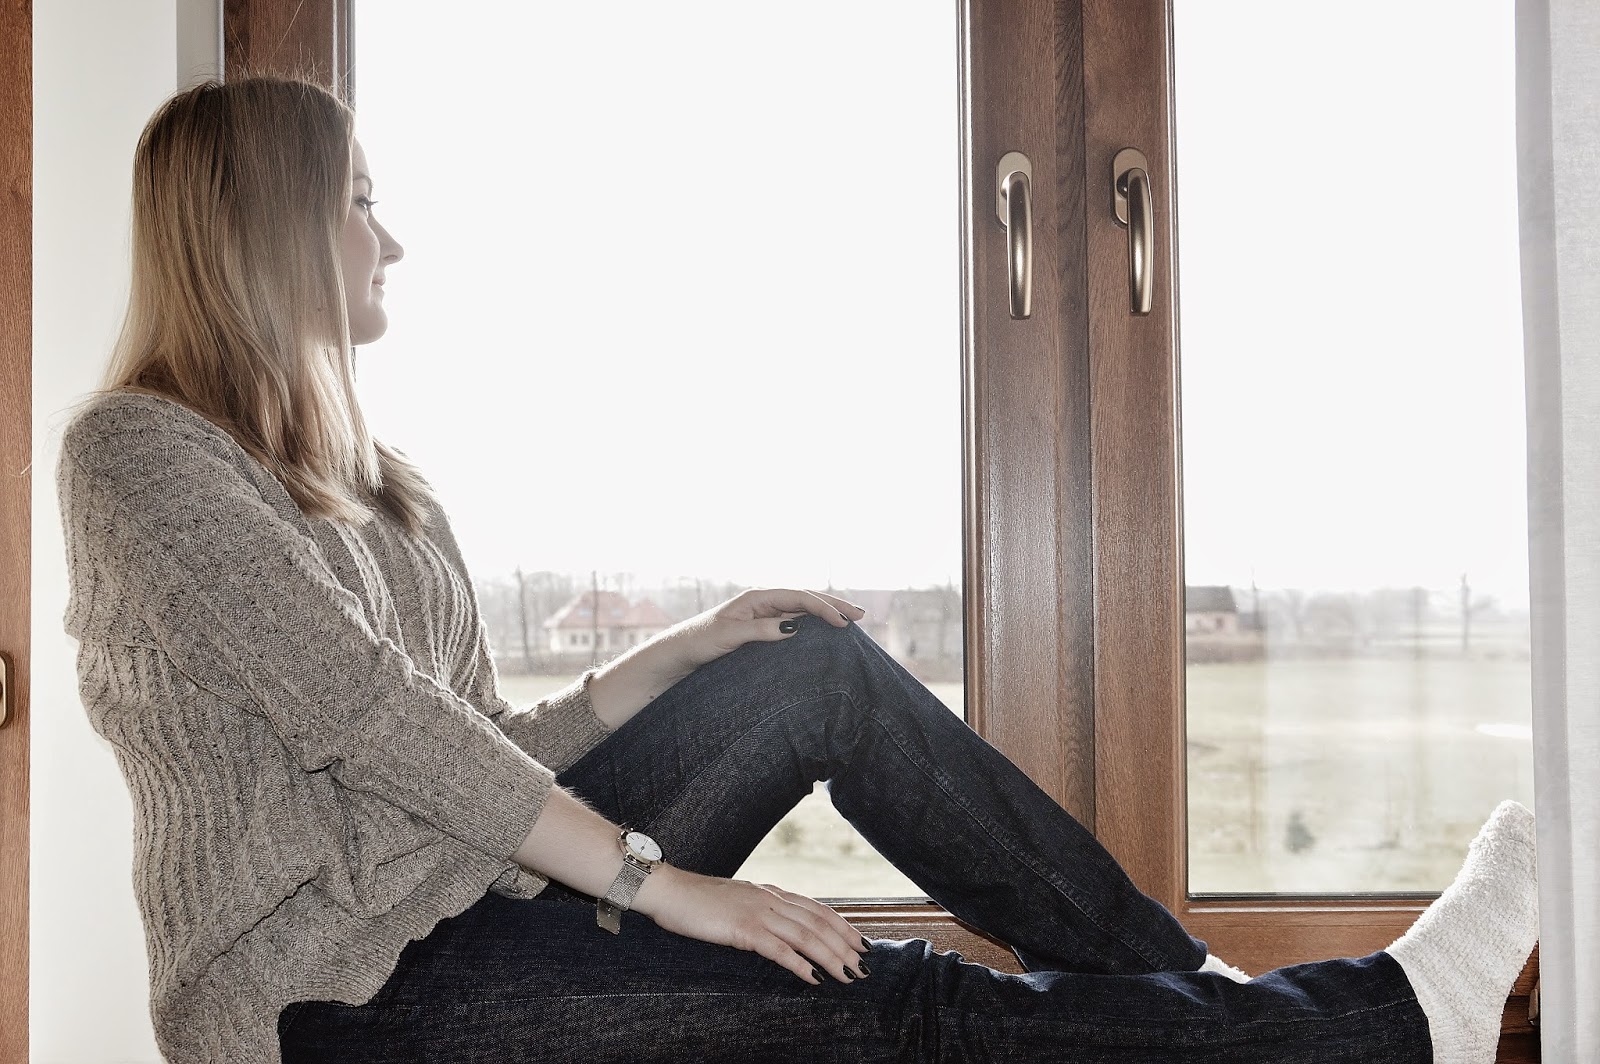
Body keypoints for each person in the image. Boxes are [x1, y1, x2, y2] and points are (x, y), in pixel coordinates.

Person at [55, 75, 1538, 1064]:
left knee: (810, 669)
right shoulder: (140, 457)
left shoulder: (387, 487)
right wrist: (666, 887)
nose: (394, 237)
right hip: (332, 996)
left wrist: (677, 655)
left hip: (472, 895)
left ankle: (1202, 1002)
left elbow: (477, 748)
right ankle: (1391, 1023)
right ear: (262, 224)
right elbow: (370, 720)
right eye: (359, 199)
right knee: (881, 996)